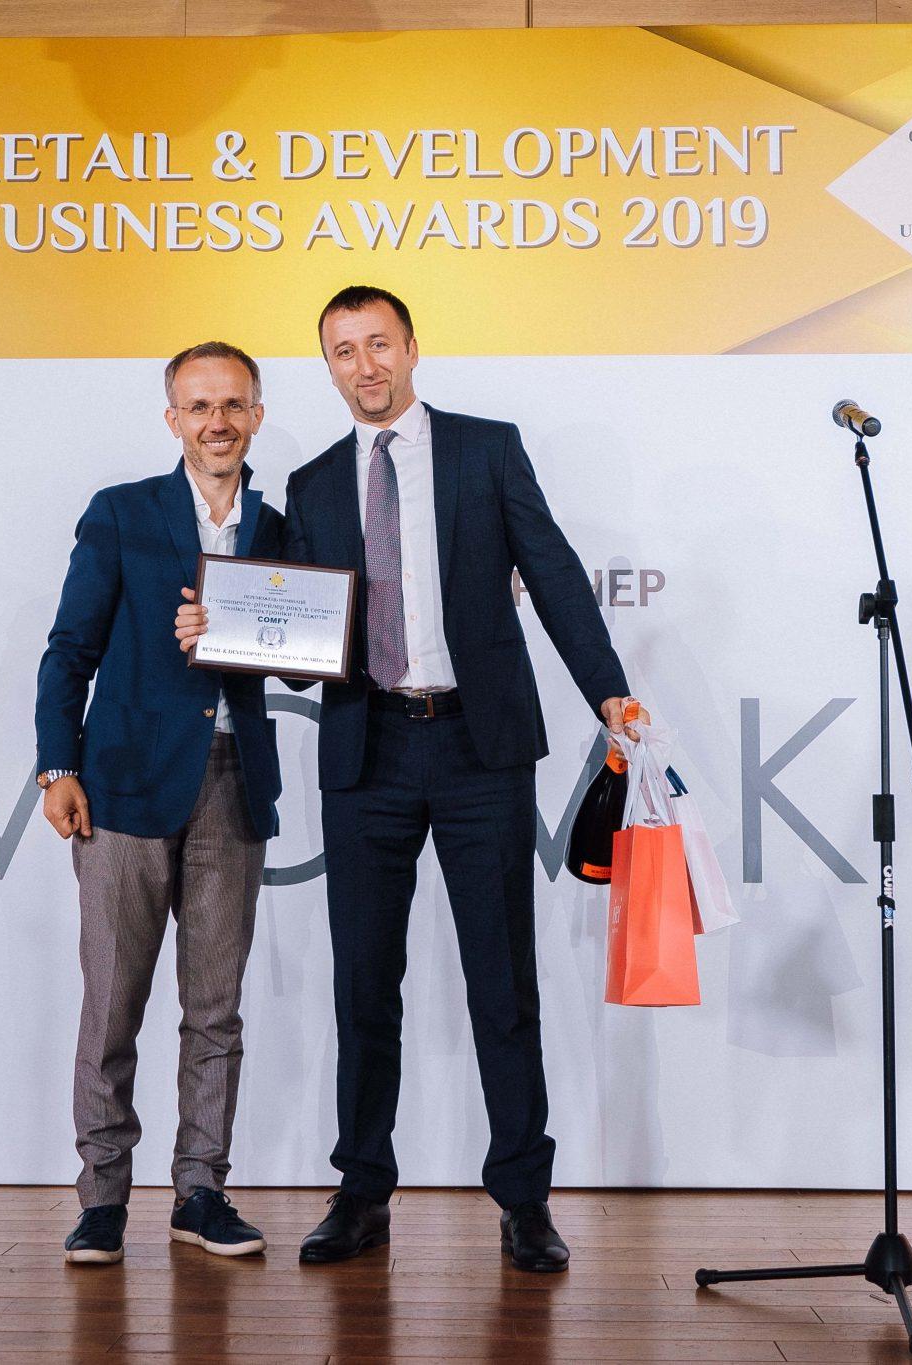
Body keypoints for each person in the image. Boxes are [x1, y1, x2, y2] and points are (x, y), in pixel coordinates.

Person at [176, 286, 638, 1273]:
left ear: (412, 349)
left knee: (501, 983)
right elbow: (300, 634)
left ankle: (524, 1200)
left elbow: (554, 572)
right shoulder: (311, 484)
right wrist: (225, 630)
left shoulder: (485, 449)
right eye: (343, 351)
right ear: (329, 368)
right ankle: (361, 1193)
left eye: (378, 343)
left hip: (478, 744)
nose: (365, 365)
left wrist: (608, 689)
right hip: (365, 749)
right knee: (362, 985)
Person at [36, 341, 282, 1265]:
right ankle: (102, 1199)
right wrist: (57, 764)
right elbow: (70, 648)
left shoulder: (281, 527)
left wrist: (242, 631)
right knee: (113, 1003)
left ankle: (200, 1191)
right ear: (173, 419)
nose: (218, 421)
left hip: (233, 782)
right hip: (124, 783)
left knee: (216, 1008)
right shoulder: (122, 511)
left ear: (256, 415)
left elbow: (312, 653)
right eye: (199, 405)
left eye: (234, 404)